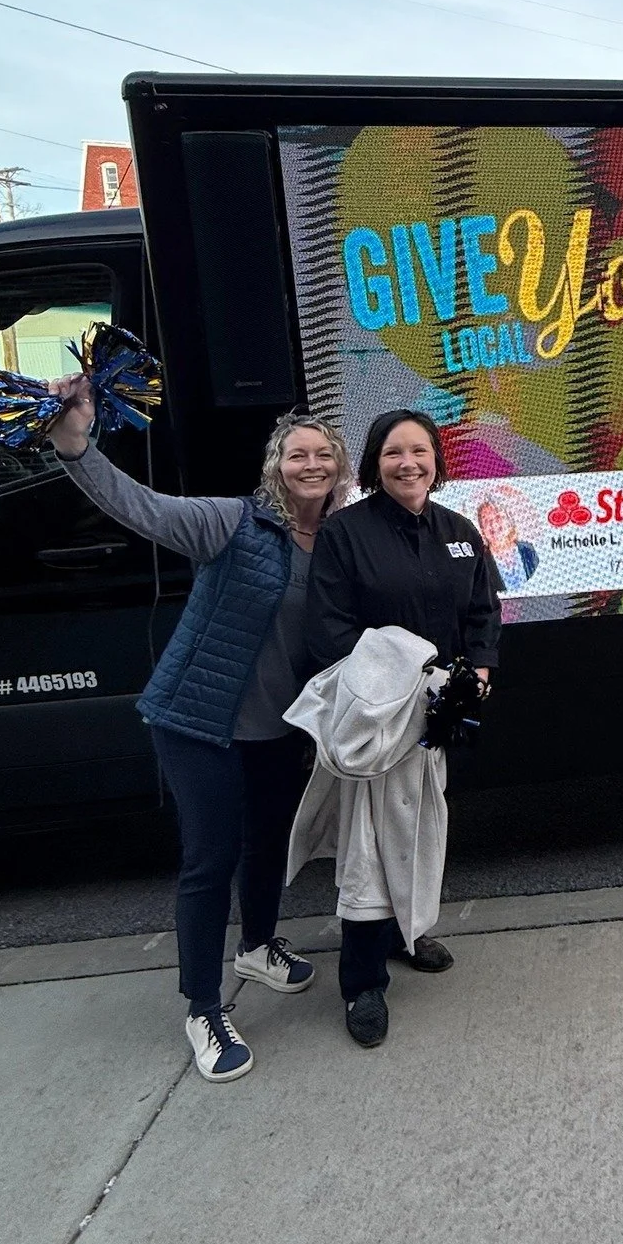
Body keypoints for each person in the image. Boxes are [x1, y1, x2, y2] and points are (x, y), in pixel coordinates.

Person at [47, 382, 353, 1082]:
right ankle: (203, 1007)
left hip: (277, 727)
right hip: (198, 720)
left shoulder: (337, 543)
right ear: (276, 466)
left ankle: (257, 945)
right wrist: (74, 445)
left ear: (338, 468)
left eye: (323, 454)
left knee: (270, 842)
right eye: (297, 453)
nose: (311, 464)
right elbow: (141, 507)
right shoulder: (232, 523)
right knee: (210, 860)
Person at [307, 408, 502, 1047]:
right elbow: (329, 630)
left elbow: (482, 612)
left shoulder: (459, 532)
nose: (408, 463)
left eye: (420, 451)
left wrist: (476, 674)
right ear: (375, 462)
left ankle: (407, 934)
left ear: (437, 461)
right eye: (394, 452)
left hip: (437, 715)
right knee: (368, 847)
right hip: (375, 719)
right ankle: (362, 982)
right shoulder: (344, 534)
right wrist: (397, 684)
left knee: (419, 829)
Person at [476, 492, 538, 589]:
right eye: (486, 521)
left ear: (509, 521)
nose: (494, 524)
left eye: (498, 517)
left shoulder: (528, 551)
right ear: (482, 530)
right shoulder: (480, 563)